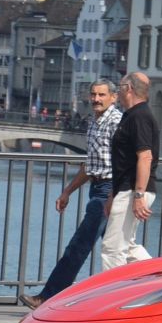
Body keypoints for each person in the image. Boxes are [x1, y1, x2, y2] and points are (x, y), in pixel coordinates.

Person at [19, 79, 122, 309]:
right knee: (122, 249)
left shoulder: (117, 123)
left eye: (102, 95)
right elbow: (91, 164)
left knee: (79, 245)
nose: (96, 99)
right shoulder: (94, 122)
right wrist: (68, 191)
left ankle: (48, 297)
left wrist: (114, 194)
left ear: (113, 97)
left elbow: (124, 162)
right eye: (93, 94)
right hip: (98, 187)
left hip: (108, 189)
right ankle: (156, 287)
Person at [101, 72, 159, 269]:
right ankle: (160, 276)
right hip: (126, 190)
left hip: (133, 190)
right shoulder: (131, 115)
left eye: (119, 87)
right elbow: (124, 161)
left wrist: (138, 194)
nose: (118, 91)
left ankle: (112, 298)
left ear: (129, 89)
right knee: (128, 246)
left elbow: (145, 157)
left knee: (112, 249)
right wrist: (112, 194)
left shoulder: (140, 117)